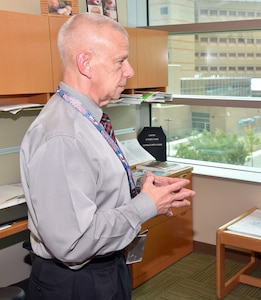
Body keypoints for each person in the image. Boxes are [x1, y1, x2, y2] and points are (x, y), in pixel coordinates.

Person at [19, 13, 195, 300]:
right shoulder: (63, 136)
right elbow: (73, 243)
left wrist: (140, 194)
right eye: (120, 61)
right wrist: (143, 208)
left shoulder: (89, 119)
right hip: (78, 284)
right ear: (85, 63)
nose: (130, 71)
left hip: (107, 269)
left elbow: (92, 190)